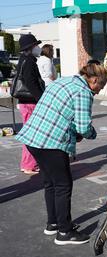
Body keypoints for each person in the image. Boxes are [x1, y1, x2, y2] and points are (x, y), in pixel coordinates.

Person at [15, 63, 107, 245]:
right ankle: (64, 232)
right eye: (101, 87)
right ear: (94, 80)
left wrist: (75, 132)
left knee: (51, 182)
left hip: (33, 138)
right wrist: (91, 133)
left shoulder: (63, 81)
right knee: (63, 185)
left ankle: (53, 223)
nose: (99, 91)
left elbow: (63, 113)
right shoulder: (83, 92)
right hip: (51, 142)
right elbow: (83, 125)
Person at [16, 34, 45, 175]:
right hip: (30, 103)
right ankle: (28, 165)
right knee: (31, 135)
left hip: (26, 102)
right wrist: (42, 100)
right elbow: (31, 84)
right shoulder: (28, 62)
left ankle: (28, 163)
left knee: (30, 134)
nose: (38, 48)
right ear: (30, 47)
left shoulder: (24, 60)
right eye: (35, 45)